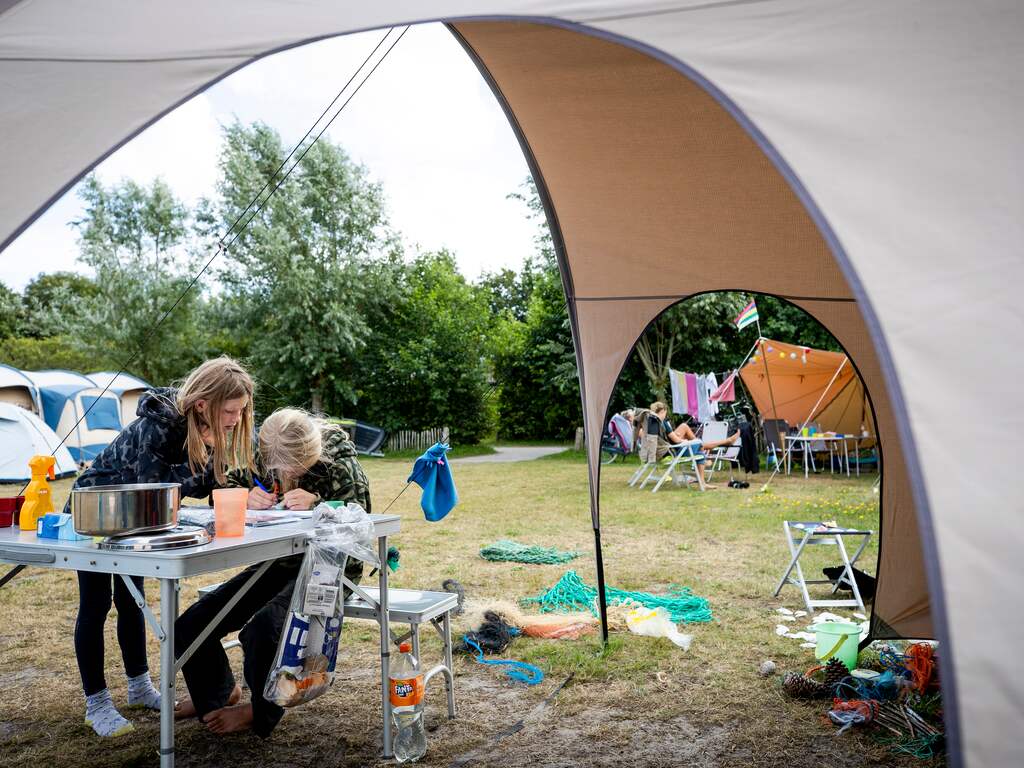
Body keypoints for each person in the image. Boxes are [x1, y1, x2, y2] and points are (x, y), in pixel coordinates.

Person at [67, 357, 255, 737]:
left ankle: (138, 687)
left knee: (131, 600)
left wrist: (238, 486)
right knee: (96, 604)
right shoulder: (160, 425)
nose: (236, 419)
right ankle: (97, 703)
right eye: (230, 411)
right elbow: (152, 489)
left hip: (134, 522)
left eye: (241, 411)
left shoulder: (206, 428)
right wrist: (205, 462)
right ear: (202, 404)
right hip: (95, 512)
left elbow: (200, 487)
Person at [173, 408, 371, 737]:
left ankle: (260, 710)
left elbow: (361, 523)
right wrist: (246, 497)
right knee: (191, 625)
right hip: (275, 563)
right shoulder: (268, 454)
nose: (286, 473)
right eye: (279, 468)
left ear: (312, 452)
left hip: (329, 570)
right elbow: (225, 486)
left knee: (262, 629)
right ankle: (220, 693)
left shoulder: (342, 466)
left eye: (295, 467)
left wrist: (320, 504)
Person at [648, 401, 739, 488]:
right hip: (673, 452)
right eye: (665, 413)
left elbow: (663, 438)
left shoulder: (651, 422)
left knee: (687, 431)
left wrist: (678, 437)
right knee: (699, 443)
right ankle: (726, 442)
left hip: (664, 450)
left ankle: (703, 478)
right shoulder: (662, 422)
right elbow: (676, 440)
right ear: (662, 411)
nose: (665, 415)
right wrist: (685, 441)